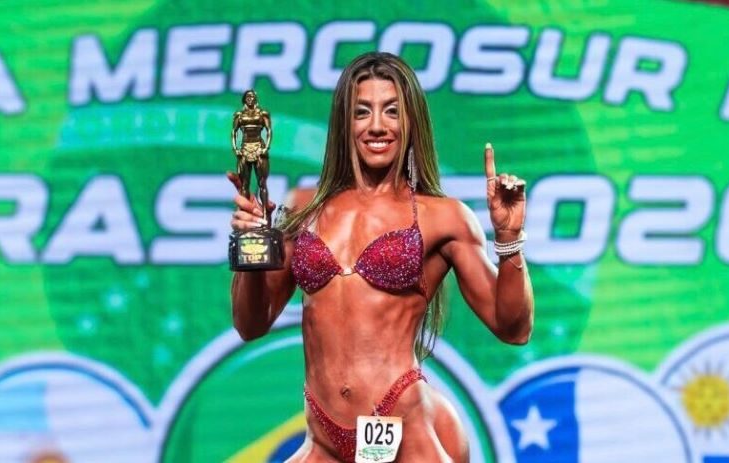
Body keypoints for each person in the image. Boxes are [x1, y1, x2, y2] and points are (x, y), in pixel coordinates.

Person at [228, 52, 533, 462]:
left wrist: (509, 238)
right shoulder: (302, 209)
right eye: (362, 112)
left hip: (403, 428)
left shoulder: (443, 218)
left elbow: (514, 328)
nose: (376, 126)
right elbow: (251, 323)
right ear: (345, 123)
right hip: (323, 437)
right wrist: (250, 243)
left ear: (411, 122)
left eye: (392, 111)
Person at [232, 89, 273, 226]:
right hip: (245, 148)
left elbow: (269, 131)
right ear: (244, 99)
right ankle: (244, 214)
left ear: (255, 98)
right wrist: (236, 149)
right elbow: (233, 133)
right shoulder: (239, 115)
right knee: (244, 184)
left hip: (259, 147)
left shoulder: (262, 114)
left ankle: (265, 215)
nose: (250, 99)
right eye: (248, 97)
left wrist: (266, 148)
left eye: (252, 96)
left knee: (262, 183)